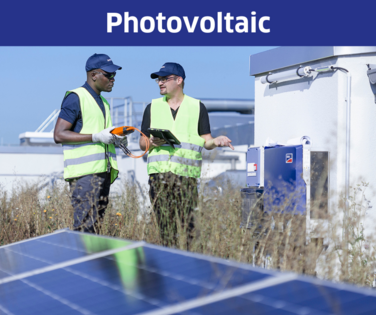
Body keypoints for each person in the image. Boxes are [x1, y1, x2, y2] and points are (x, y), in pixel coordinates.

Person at [139, 62, 234, 248]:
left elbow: (206, 140)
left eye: (164, 79)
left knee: (189, 230)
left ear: (179, 80)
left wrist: (216, 141)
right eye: (158, 79)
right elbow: (142, 142)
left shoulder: (198, 107)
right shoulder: (152, 107)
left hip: (186, 179)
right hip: (159, 177)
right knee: (166, 230)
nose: (160, 83)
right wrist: (152, 142)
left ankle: (189, 265)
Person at [54, 53, 127, 233]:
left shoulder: (103, 102)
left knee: (94, 229)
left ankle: (89, 261)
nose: (113, 79)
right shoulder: (76, 97)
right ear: (94, 75)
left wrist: (115, 139)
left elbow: (101, 135)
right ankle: (81, 261)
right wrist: (96, 136)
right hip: (85, 176)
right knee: (85, 229)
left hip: (102, 173)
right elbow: (59, 134)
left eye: (114, 75)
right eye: (108, 74)